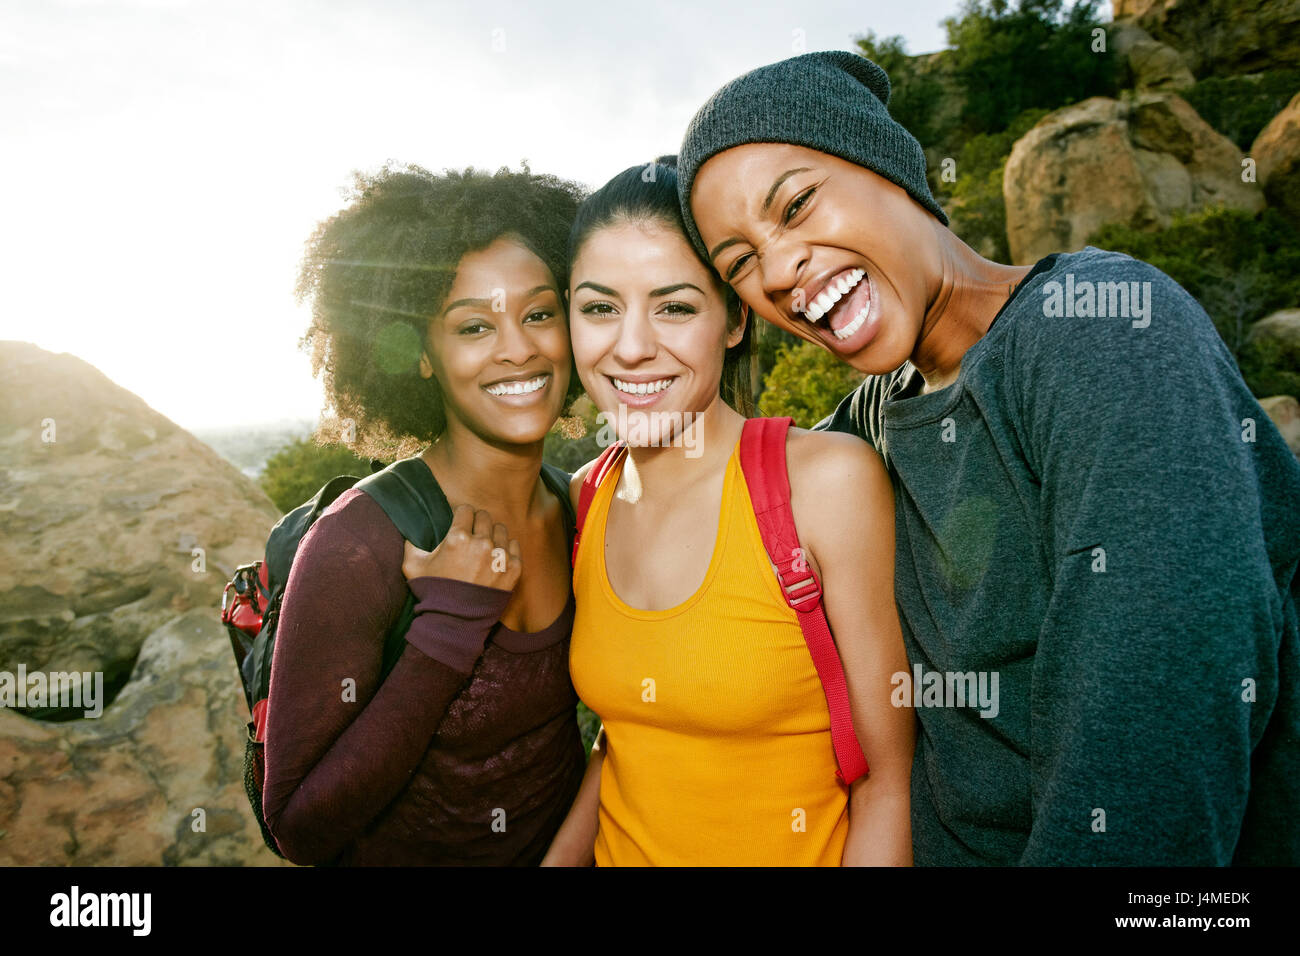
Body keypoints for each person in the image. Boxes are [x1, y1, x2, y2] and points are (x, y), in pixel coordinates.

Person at [676, 50, 1300, 865]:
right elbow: (728, 490)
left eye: (795, 205)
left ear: (889, 167)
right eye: (741, 264)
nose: (781, 268)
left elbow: (1162, 716)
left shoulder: (1104, 330)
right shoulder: (872, 420)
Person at [542, 156, 915, 867]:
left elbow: (888, 787)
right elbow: (626, 739)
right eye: (599, 308)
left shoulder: (824, 484)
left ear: (735, 318)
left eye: (675, 307)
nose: (631, 347)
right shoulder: (584, 496)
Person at [261, 163, 591, 865]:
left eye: (539, 313)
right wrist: (447, 627)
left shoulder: (582, 508)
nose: (518, 347)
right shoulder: (360, 542)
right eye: (474, 325)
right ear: (421, 357)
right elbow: (299, 828)